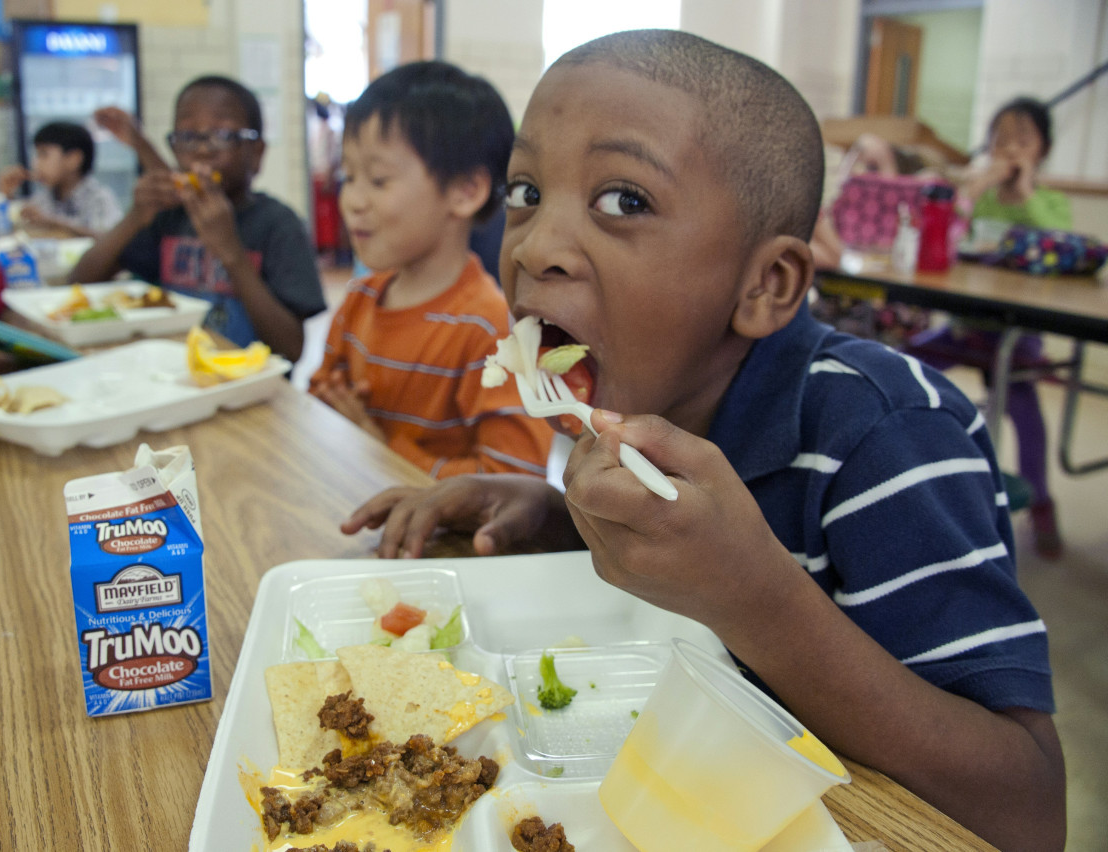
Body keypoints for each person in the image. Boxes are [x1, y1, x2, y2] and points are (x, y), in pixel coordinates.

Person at [338, 30, 1065, 850]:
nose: (534, 247)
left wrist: (753, 598)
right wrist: (549, 517)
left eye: (625, 201)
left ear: (764, 285)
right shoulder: (647, 397)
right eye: (526, 190)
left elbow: (1030, 809)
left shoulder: (883, 435)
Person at [309, 61, 552, 480]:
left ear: (464, 191)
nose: (352, 200)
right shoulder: (360, 298)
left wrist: (379, 447)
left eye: (378, 180)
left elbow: (513, 481)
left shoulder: (489, 331)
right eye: (348, 176)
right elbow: (320, 399)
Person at [905, 97, 1071, 559]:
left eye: (1022, 142)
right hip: (966, 326)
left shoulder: (1050, 202)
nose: (1009, 150)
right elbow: (950, 238)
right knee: (905, 360)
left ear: (1042, 150)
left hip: (1015, 334)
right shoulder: (983, 199)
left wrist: (1028, 190)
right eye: (1001, 141)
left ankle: (1039, 499)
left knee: (1023, 406)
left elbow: (1055, 241)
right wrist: (973, 191)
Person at [70, 76, 325, 359]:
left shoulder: (279, 225)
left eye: (224, 135)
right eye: (188, 137)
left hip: (248, 386)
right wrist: (134, 218)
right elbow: (80, 283)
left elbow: (291, 348)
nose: (203, 150)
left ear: (256, 153)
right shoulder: (168, 217)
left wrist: (232, 255)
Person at [0, 121, 122, 238]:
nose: (35, 164)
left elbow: (111, 239)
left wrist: (53, 222)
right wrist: (7, 195)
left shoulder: (99, 198)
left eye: (43, 155)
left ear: (74, 159)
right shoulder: (45, 196)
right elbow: (21, 226)